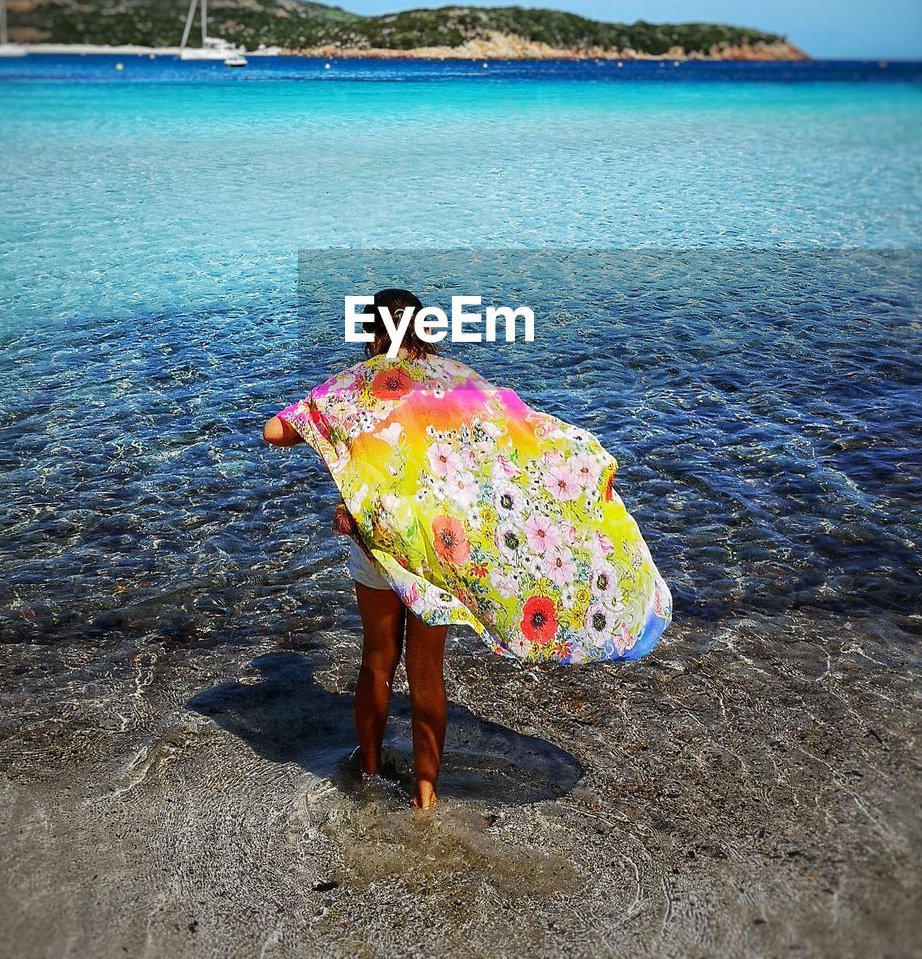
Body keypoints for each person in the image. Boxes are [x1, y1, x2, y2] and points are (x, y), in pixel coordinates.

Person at [263, 288, 672, 809]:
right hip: (440, 552)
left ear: (372, 335)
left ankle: (367, 773)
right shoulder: (456, 382)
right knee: (427, 671)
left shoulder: (356, 387)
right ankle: (426, 793)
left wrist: (338, 428)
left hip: (377, 548)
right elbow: (510, 434)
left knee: (377, 662)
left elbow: (273, 430)